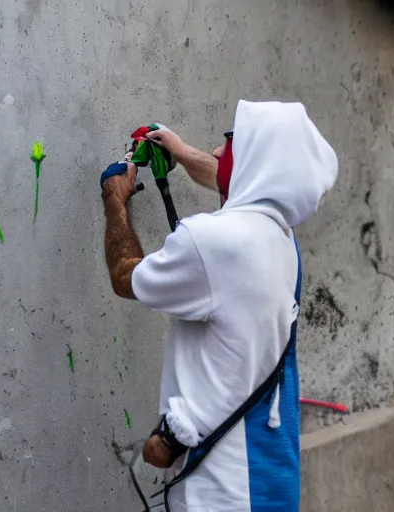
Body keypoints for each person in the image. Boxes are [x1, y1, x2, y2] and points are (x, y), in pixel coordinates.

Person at [101, 100, 338, 511]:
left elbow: (126, 276)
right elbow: (242, 182)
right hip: (272, 476)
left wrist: (115, 200)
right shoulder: (281, 237)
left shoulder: (215, 241)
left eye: (229, 144)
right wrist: (178, 149)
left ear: (252, 163)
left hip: (224, 490)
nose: (214, 152)